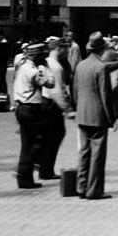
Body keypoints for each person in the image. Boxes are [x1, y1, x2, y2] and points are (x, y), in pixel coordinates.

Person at [72, 32, 117, 199]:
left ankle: (81, 187)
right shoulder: (101, 67)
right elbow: (105, 95)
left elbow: (75, 91)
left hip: (82, 114)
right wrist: (112, 118)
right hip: (97, 116)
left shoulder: (80, 65)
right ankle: (94, 190)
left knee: (84, 152)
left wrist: (77, 108)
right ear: (102, 49)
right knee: (97, 155)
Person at [11, 42, 54, 189]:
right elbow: (49, 83)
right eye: (42, 55)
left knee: (27, 144)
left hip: (22, 107)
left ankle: (25, 177)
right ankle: (24, 170)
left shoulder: (23, 67)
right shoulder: (32, 70)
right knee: (40, 141)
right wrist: (46, 68)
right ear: (36, 56)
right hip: (31, 108)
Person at [40, 38, 72, 180]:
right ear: (59, 48)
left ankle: (44, 167)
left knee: (49, 136)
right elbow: (57, 91)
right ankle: (46, 169)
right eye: (66, 48)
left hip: (45, 102)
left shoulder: (46, 62)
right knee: (56, 135)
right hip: (53, 105)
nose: (67, 51)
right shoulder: (57, 67)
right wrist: (67, 109)